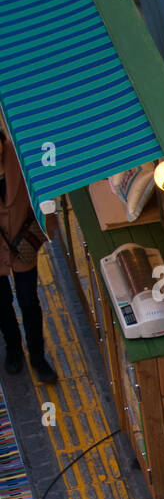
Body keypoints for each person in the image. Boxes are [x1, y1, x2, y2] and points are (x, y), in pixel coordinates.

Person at [0, 130, 57, 384]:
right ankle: (13, 348)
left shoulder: (21, 151)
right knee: (1, 305)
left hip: (22, 244)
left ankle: (37, 355)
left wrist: (42, 225)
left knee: (29, 302)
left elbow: (44, 187)